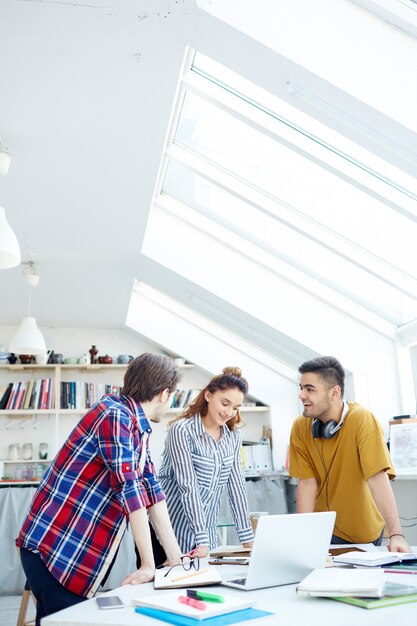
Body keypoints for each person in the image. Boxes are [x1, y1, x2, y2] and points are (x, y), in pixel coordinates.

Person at [16, 353, 183, 626]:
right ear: (165, 394)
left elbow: (152, 491)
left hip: (70, 551)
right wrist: (148, 566)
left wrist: (175, 558)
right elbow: (131, 491)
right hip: (53, 548)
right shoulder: (114, 415)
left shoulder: (137, 428)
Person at [289, 356, 410, 552]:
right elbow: (307, 482)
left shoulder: (361, 419)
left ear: (334, 392)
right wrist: (305, 534)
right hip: (323, 532)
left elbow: (377, 477)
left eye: (310, 389)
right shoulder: (300, 427)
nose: (302, 395)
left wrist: (396, 534)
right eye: (301, 388)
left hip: (362, 533)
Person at [158, 367, 255, 557]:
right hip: (167, 535)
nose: (229, 412)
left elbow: (237, 486)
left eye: (235, 408)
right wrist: (201, 540)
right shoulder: (182, 431)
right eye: (225, 403)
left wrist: (247, 539)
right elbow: (188, 486)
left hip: (206, 536)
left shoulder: (233, 436)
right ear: (209, 395)